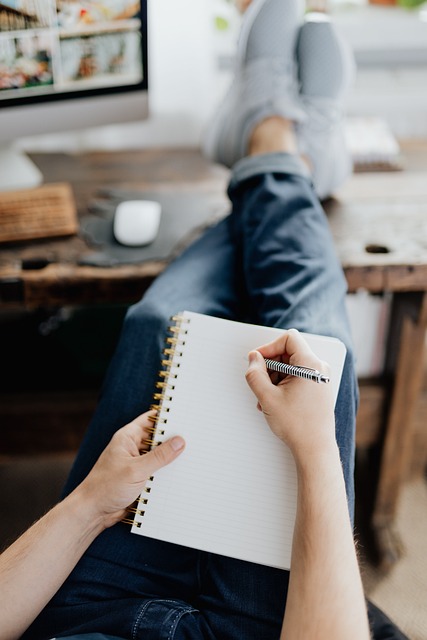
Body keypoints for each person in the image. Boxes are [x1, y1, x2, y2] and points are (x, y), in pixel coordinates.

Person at [0, 1, 408, 638]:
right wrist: (314, 449)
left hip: (95, 602)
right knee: (320, 346)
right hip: (264, 623)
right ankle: (280, 150)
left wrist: (87, 505)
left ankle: (271, 152)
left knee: (159, 322)